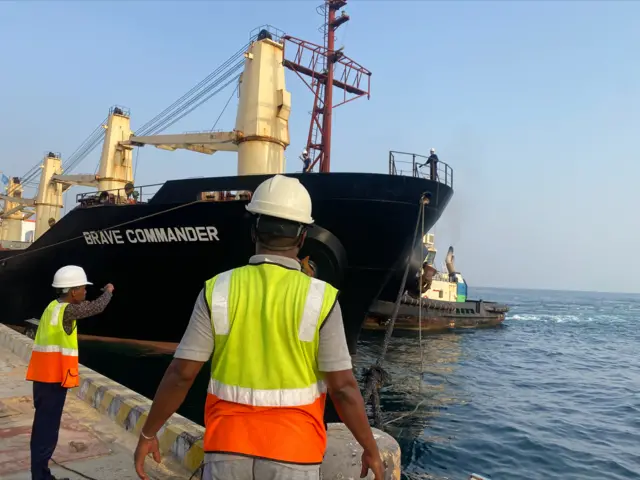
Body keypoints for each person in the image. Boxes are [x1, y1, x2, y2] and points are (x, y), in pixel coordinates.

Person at [133, 174, 384, 480]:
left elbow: (181, 374)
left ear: (254, 229)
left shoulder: (217, 290)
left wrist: (148, 433)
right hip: (295, 453)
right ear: (303, 237)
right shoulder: (322, 298)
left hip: (226, 448)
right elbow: (343, 388)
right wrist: (369, 447)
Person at [25, 266, 114, 480]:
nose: (85, 292)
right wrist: (108, 292)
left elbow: (85, 305)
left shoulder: (54, 307)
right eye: (83, 288)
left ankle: (41, 473)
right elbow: (95, 308)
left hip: (44, 378)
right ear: (73, 291)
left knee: (43, 429)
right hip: (52, 380)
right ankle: (41, 477)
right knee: (47, 432)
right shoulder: (68, 311)